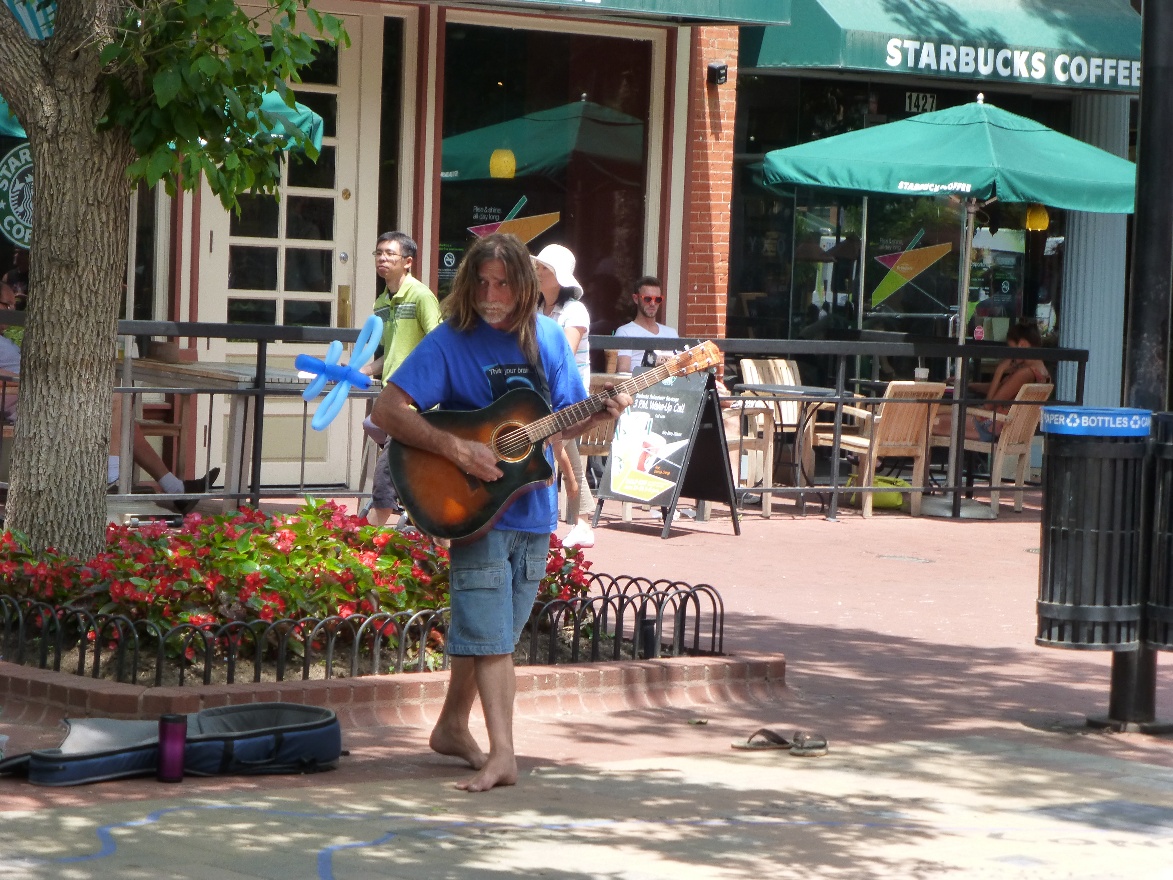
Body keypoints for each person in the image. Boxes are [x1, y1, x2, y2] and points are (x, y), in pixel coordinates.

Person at [371, 232, 631, 792]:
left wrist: (602, 411)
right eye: (481, 283)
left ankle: (449, 727)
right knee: (491, 642)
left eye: (503, 284)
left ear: (525, 287)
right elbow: (388, 409)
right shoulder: (450, 341)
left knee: (494, 638)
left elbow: (568, 418)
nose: (490, 295)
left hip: (533, 509)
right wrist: (456, 448)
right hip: (474, 510)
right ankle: (504, 755)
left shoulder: (549, 340)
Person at [360, 232, 441, 527]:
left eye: (390, 254)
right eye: (379, 253)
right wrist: (364, 371)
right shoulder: (380, 303)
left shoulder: (421, 296)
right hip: (391, 401)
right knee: (407, 481)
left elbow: (438, 345)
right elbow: (390, 354)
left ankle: (363, 547)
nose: (382, 258)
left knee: (384, 479)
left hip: (416, 404)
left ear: (407, 262)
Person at [534, 244, 594, 548]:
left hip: (568, 398)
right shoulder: (535, 309)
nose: (538, 271)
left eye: (544, 268)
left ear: (559, 277)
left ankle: (543, 524)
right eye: (538, 266)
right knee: (563, 454)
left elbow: (563, 356)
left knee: (548, 455)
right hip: (539, 397)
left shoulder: (574, 311)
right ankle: (583, 523)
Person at [933, 320, 1051, 442]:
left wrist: (999, 371)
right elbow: (1001, 389)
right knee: (932, 417)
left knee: (927, 422)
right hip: (1003, 426)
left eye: (1011, 348)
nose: (1010, 354)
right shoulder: (1043, 374)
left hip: (986, 426)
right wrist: (969, 385)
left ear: (1022, 345)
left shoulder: (1025, 373)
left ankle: (922, 460)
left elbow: (989, 405)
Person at [614, 276, 678, 373]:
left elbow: (681, 369)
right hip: (639, 386)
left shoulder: (671, 333)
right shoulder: (625, 332)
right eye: (647, 299)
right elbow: (623, 372)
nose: (652, 303)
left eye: (657, 299)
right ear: (636, 299)